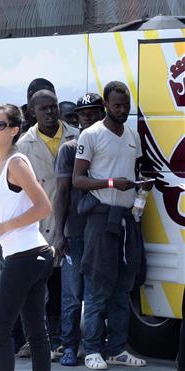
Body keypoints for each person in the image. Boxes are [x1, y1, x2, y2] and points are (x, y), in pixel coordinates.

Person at [72, 81, 149, 369]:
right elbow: (78, 179)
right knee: (97, 286)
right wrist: (110, 183)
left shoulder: (131, 134)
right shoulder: (91, 135)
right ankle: (92, 348)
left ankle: (117, 348)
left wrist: (143, 183)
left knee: (122, 287)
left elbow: (137, 168)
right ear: (106, 104)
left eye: (126, 105)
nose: (123, 110)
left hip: (127, 219)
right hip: (101, 219)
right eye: (117, 105)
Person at [0, 103, 53, 371]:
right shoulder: (6, 163)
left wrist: (1, 228)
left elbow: (44, 208)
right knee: (36, 332)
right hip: (33, 255)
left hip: (25, 257)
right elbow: (19, 211)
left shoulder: (16, 163)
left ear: (14, 129)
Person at [17, 88, 79, 357]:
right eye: (44, 108)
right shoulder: (23, 145)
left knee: (67, 289)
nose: (51, 112)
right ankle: (44, 338)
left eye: (54, 106)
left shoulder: (76, 137)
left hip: (70, 220)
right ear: (32, 112)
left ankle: (64, 338)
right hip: (40, 223)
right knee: (43, 286)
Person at [53, 93, 104, 366]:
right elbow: (61, 193)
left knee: (96, 295)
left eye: (94, 112)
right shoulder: (69, 149)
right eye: (84, 113)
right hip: (74, 230)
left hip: (101, 230)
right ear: (77, 118)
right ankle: (69, 345)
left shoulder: (109, 143)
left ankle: (93, 346)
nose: (89, 117)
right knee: (72, 295)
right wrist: (59, 233)